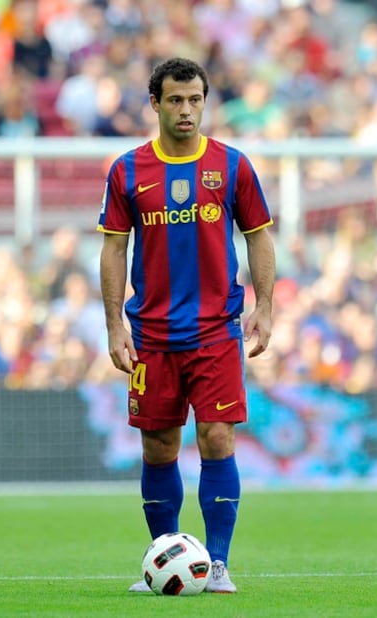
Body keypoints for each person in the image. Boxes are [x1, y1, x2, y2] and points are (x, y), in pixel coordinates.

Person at [97, 57, 275, 594]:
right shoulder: (127, 170)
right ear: (155, 103)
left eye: (195, 99)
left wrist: (264, 307)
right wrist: (113, 324)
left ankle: (216, 564)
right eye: (175, 99)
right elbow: (113, 249)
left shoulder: (233, 165)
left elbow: (259, 237)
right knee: (158, 447)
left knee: (218, 437)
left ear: (205, 102)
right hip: (151, 335)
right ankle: (165, 558)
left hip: (216, 331)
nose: (186, 110)